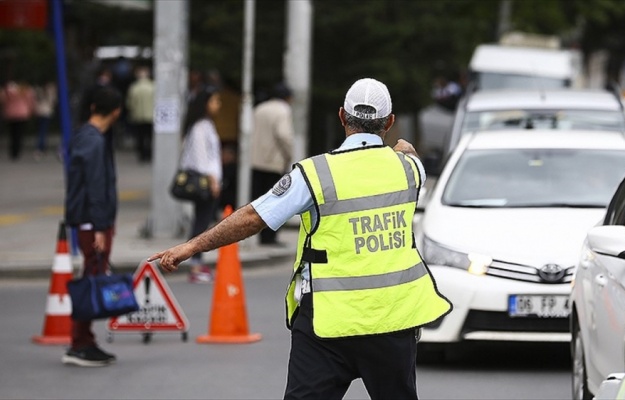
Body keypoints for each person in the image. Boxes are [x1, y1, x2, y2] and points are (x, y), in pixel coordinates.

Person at [149, 78, 453, 399]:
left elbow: (254, 217)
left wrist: (192, 246)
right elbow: (408, 153)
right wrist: (403, 148)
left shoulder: (315, 174)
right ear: (390, 122)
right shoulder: (409, 170)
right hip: (392, 321)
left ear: (341, 117)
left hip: (327, 322)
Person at [63, 86, 122, 367]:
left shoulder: (84, 136)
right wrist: (101, 226)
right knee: (91, 278)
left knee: (92, 274)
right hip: (92, 222)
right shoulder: (94, 141)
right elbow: (96, 187)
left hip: (90, 220)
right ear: (116, 111)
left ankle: (84, 340)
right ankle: (80, 343)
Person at [178, 88, 223, 283]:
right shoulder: (200, 127)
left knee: (203, 221)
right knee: (201, 223)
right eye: (214, 101)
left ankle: (197, 261)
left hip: (209, 180)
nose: (218, 105)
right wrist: (213, 181)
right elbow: (201, 159)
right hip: (204, 182)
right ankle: (195, 264)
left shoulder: (206, 125)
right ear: (205, 103)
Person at [250, 82, 294, 245]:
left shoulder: (259, 108)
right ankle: (270, 237)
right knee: (275, 201)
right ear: (288, 98)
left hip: (256, 160)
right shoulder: (283, 110)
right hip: (273, 162)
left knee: (259, 199)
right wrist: (289, 154)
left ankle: (260, 235)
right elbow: (283, 134)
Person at [0, 79, 35, 161]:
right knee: (19, 134)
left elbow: (2, 100)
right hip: (22, 114)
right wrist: (31, 110)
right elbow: (30, 101)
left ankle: (13, 151)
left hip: (11, 114)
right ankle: (17, 151)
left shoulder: (7, 91)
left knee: (12, 133)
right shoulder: (25, 90)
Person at [126, 66, 155, 162]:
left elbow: (130, 103)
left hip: (138, 116)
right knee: (150, 137)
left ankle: (142, 154)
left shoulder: (134, 88)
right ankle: (149, 154)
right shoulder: (153, 87)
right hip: (151, 116)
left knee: (140, 136)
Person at [33, 80, 58, 160]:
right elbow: (54, 101)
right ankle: (41, 147)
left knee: (41, 130)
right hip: (47, 112)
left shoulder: (38, 89)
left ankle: (41, 148)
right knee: (44, 130)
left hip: (40, 111)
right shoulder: (51, 90)